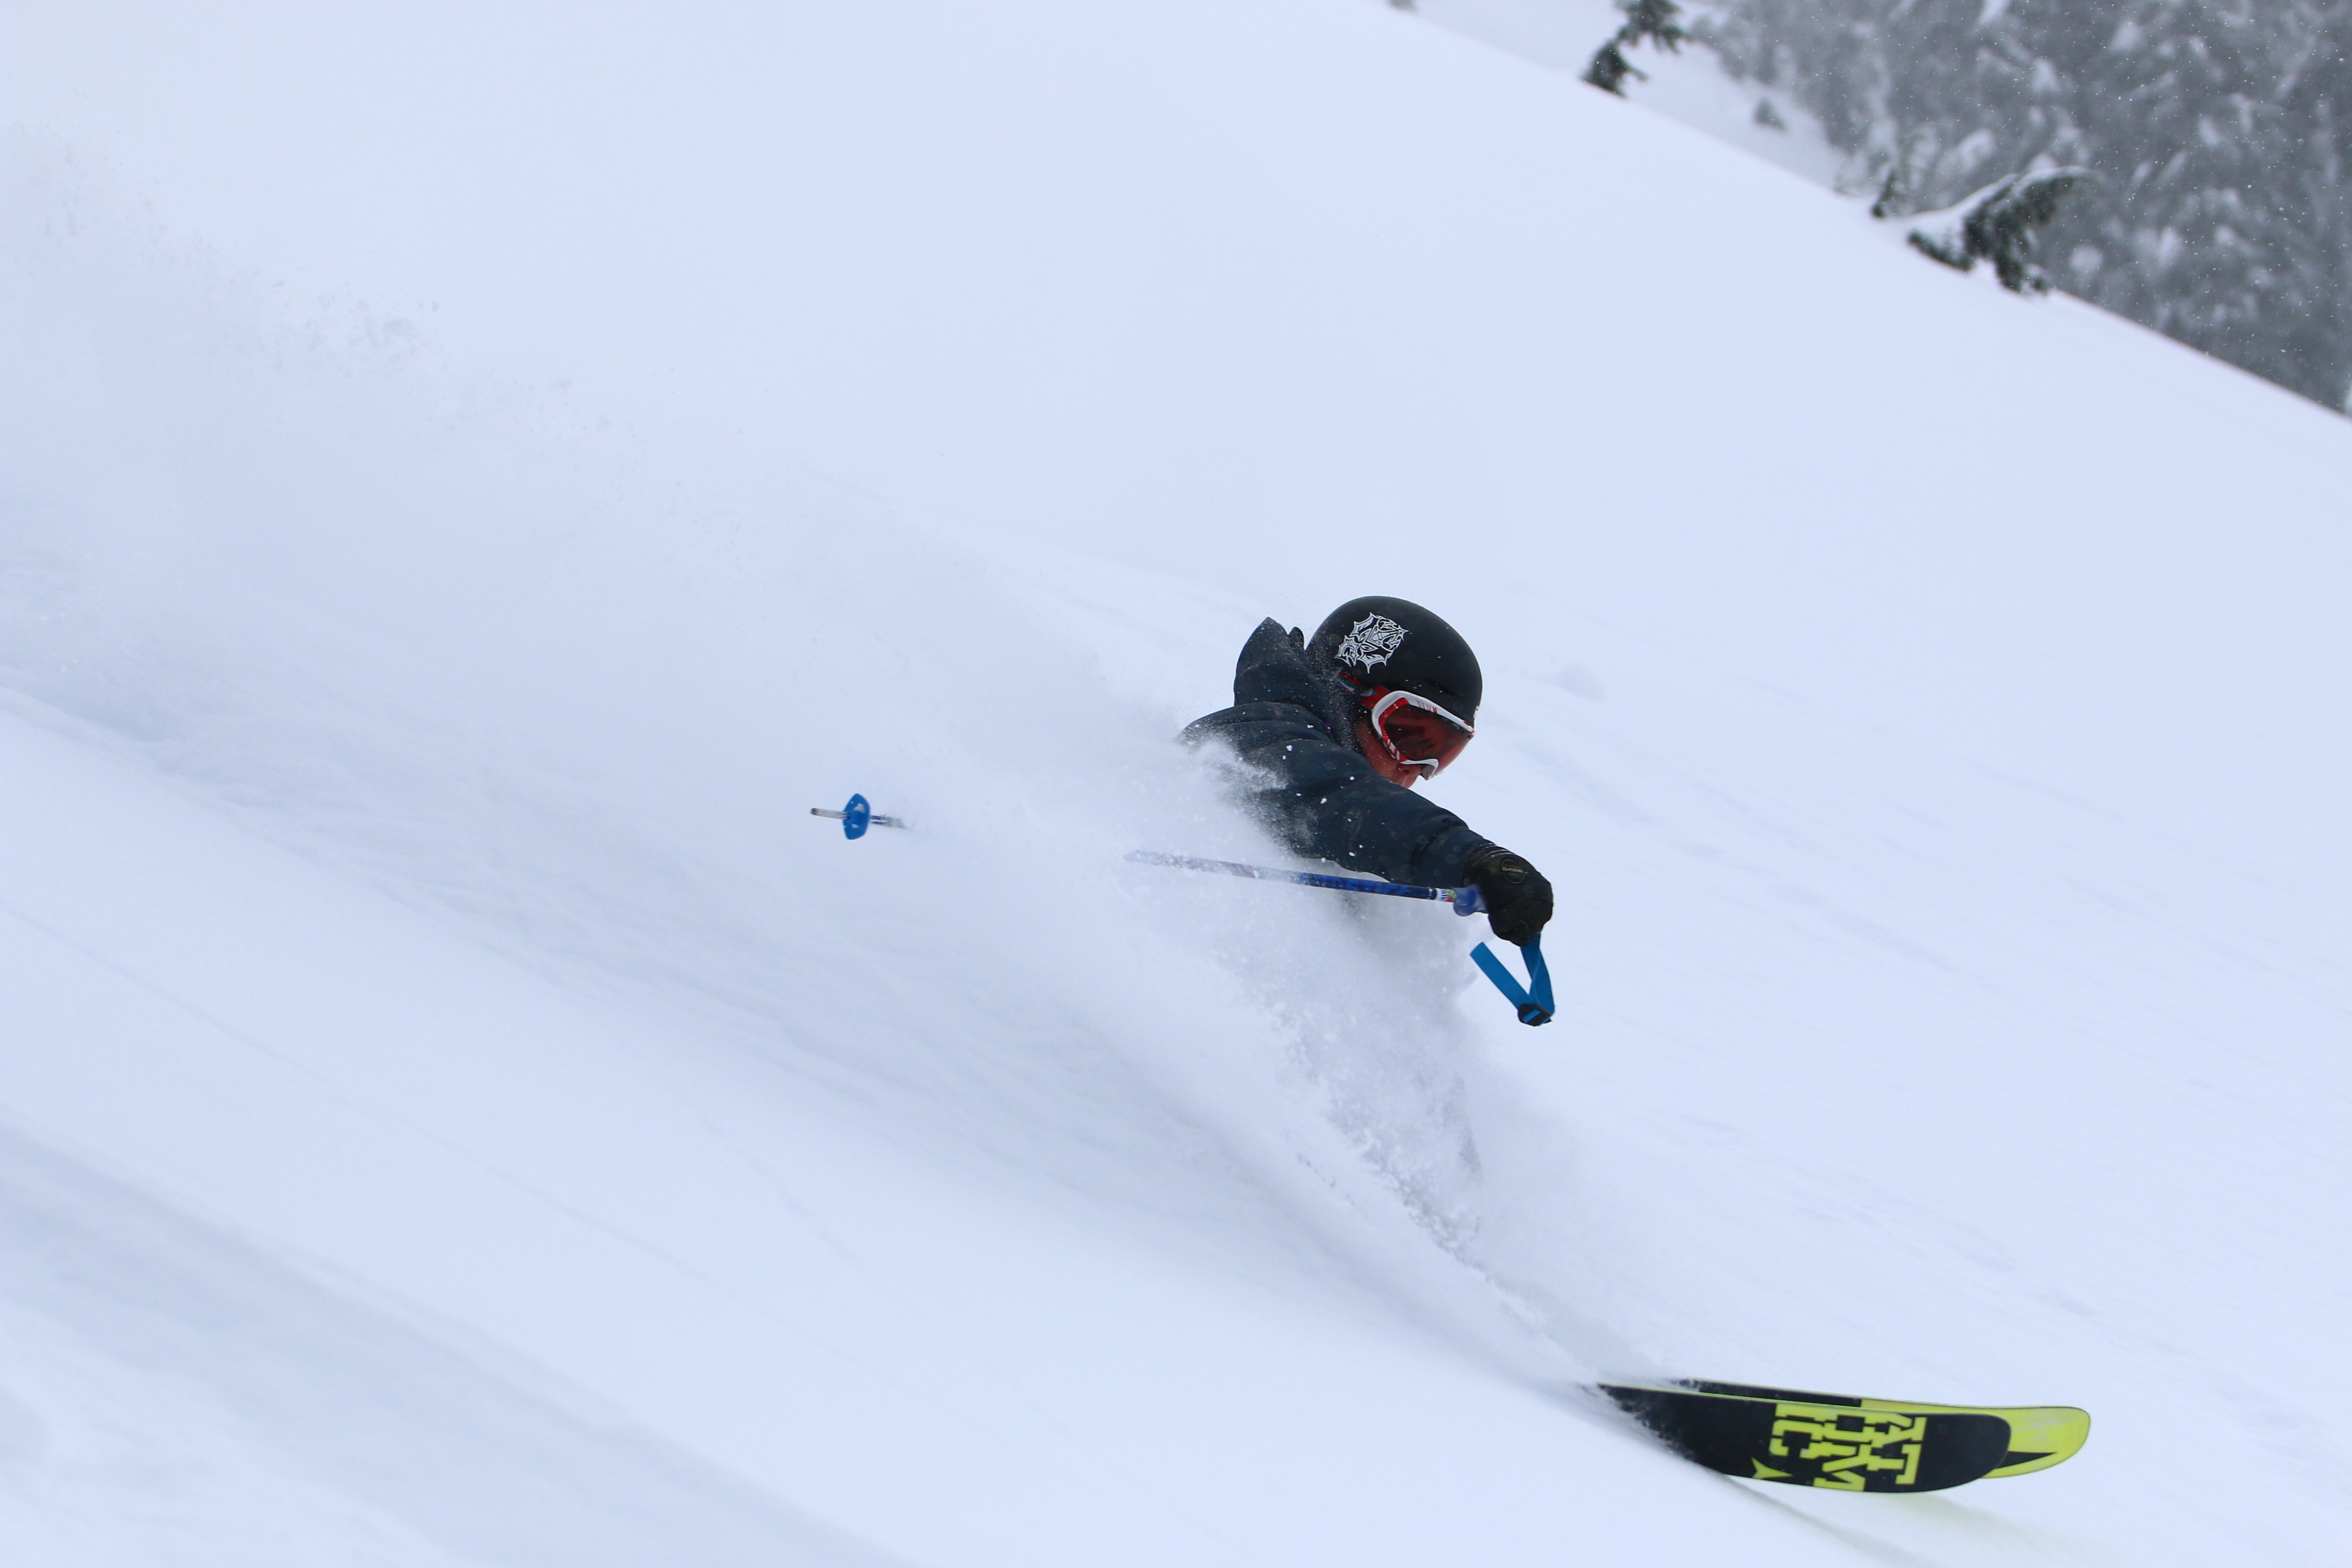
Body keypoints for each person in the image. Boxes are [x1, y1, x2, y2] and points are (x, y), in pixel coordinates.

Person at [1182, 596, 1553, 946]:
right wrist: (1467, 858)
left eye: (1439, 753)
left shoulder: (1342, 843)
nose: (1414, 771)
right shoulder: (1259, 737)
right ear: (1347, 693)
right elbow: (1336, 795)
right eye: (1410, 736)